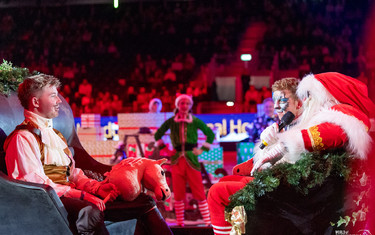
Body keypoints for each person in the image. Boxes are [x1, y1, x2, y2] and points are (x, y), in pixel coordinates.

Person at [4, 74, 172, 235]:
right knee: (89, 212)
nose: (58, 102)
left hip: (73, 195)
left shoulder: (55, 135)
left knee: (144, 201)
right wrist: (82, 195)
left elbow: (73, 174)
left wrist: (97, 188)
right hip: (50, 204)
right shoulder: (23, 138)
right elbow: (34, 186)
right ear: (35, 101)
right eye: (53, 96)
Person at [208, 73, 375, 235]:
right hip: (299, 188)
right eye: (275, 101)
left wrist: (283, 145)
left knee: (219, 192)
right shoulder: (304, 122)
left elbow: (327, 134)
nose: (308, 100)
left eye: (310, 95)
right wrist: (270, 145)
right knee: (226, 185)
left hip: (308, 195)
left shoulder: (340, 116)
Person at [207, 77, 302, 235]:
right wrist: (266, 145)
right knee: (225, 181)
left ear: (299, 103)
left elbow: (291, 165)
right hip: (267, 178)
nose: (276, 106)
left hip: (282, 188)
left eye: (282, 101)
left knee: (217, 192)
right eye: (274, 101)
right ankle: (238, 232)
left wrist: (276, 146)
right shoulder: (280, 125)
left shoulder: (304, 129)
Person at [154, 94, 215, 227]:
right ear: (178, 105)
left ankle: (207, 222)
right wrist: (166, 149)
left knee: (198, 190)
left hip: (191, 159)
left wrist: (201, 150)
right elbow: (157, 134)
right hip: (176, 160)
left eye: (187, 104)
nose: (184, 106)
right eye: (182, 103)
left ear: (190, 106)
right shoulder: (171, 121)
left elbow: (210, 134)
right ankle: (180, 223)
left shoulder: (194, 120)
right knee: (178, 192)